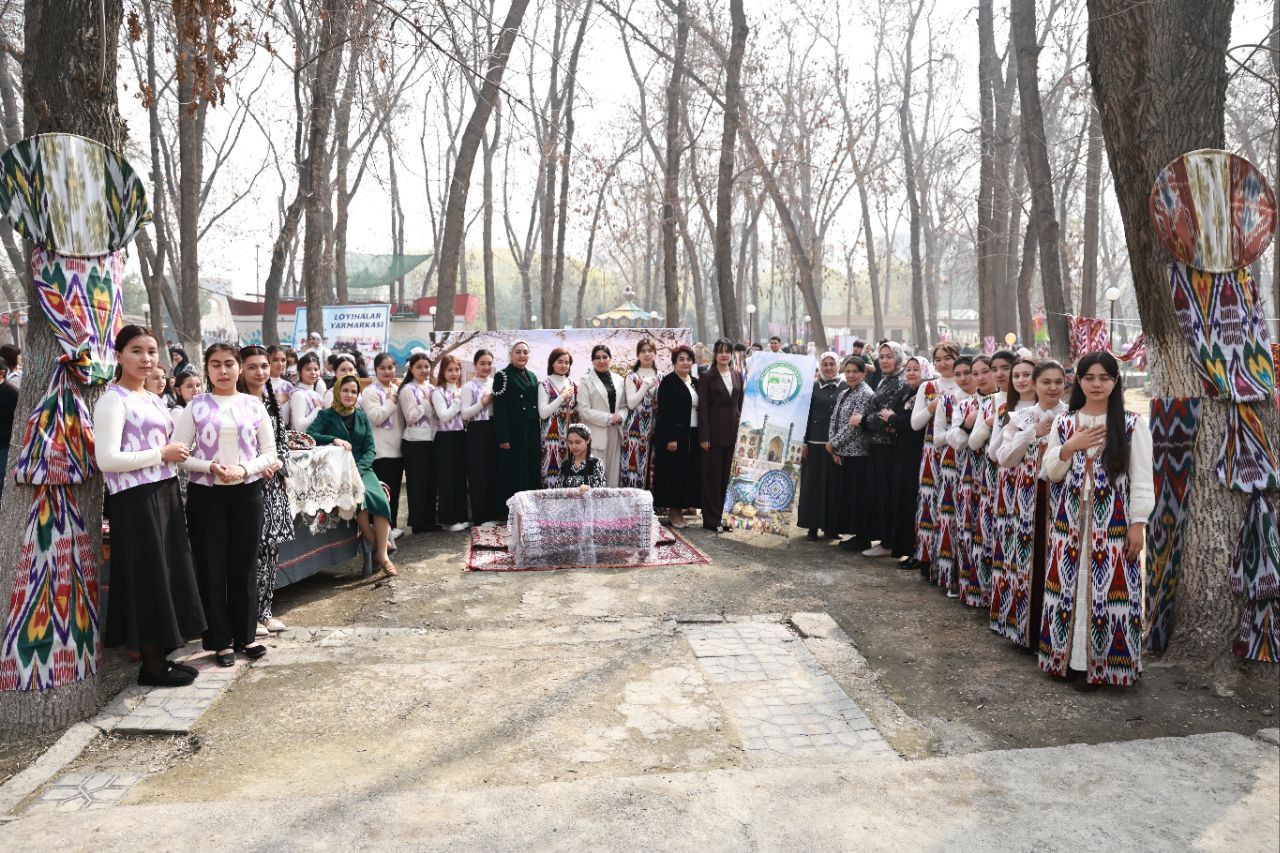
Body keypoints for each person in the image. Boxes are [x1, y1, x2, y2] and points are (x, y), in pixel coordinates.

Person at [93, 326, 204, 686]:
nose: (146, 358)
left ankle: (163, 656)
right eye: (136, 351)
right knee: (146, 577)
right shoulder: (113, 400)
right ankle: (151, 665)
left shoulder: (153, 397)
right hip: (134, 499)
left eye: (152, 351)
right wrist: (161, 453)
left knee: (167, 572)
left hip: (164, 490)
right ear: (119, 355)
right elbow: (107, 459)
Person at [1040, 351, 1153, 689]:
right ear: (1079, 381)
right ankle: (1067, 662)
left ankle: (1102, 667)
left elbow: (1142, 479)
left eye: (1104, 377)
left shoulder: (1131, 424)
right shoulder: (1064, 423)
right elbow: (1050, 471)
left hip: (1113, 524)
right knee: (1067, 591)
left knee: (1109, 593)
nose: (1096, 384)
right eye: (1089, 377)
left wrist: (1138, 524)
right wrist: (1069, 446)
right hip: (1069, 523)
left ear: (1115, 382)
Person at [173, 343, 276, 667]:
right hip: (207, 494)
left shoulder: (253, 405)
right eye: (215, 364)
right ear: (207, 368)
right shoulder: (196, 406)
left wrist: (244, 469)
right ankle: (219, 641)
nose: (223, 370)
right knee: (211, 567)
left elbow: (270, 453)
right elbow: (179, 453)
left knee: (244, 565)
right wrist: (210, 467)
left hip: (247, 491)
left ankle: (246, 635)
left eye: (229, 363)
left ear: (239, 367)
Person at [995, 360, 1068, 653]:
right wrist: (1031, 433)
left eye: (1058, 382)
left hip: (1062, 499)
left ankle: (1055, 637)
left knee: (1057, 563)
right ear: (1035, 385)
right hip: (1027, 499)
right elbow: (1004, 457)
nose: (1052, 388)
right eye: (1046, 382)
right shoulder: (1021, 417)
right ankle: (1025, 632)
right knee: (1027, 561)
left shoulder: (1072, 416)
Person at [308, 375, 397, 575]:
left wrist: (359, 467)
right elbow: (311, 435)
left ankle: (382, 555)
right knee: (359, 501)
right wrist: (333, 439)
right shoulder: (326, 415)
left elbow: (370, 449)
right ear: (337, 392)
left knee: (380, 500)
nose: (350, 395)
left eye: (354, 392)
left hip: (362, 468)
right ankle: (377, 544)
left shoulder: (362, 416)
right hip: (337, 469)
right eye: (345, 390)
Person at [238, 345, 294, 636]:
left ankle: (265, 612)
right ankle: (247, 616)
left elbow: (282, 441)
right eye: (252, 366)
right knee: (250, 551)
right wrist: (258, 466)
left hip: (272, 485)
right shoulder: (236, 403)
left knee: (270, 551)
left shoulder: (272, 402)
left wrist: (278, 462)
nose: (260, 372)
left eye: (264, 366)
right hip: (246, 484)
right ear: (241, 370)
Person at [987, 355, 1038, 640]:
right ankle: (1007, 615)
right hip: (1010, 482)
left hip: (1039, 483)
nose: (1021, 380)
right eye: (1016, 375)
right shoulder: (1007, 409)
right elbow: (995, 453)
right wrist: (1012, 428)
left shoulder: (1052, 409)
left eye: (1026, 374)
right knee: (1010, 548)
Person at [910, 342, 959, 577]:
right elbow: (915, 423)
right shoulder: (928, 386)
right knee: (929, 503)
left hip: (958, 452)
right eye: (937, 359)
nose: (942, 363)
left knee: (952, 506)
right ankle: (927, 558)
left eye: (947, 358)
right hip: (932, 452)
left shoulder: (966, 383)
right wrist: (932, 406)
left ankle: (951, 563)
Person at [947, 355, 992, 606]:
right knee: (969, 529)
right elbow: (955, 440)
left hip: (997, 477)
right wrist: (967, 424)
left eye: (986, 371)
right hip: (970, 476)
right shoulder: (965, 405)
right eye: (976, 373)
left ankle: (992, 593)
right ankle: (971, 588)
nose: (981, 377)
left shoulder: (1006, 403)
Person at [858, 342, 908, 555]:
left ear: (898, 358)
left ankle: (887, 543)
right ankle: (884, 541)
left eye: (890, 356)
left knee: (886, 494)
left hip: (888, 447)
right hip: (878, 444)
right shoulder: (887, 379)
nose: (885, 361)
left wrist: (862, 420)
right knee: (879, 494)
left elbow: (885, 415)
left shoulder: (899, 382)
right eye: (882, 356)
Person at [886, 356, 932, 567]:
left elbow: (909, 423)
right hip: (902, 453)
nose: (911, 373)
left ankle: (915, 551)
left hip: (917, 455)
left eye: (916, 369)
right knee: (902, 502)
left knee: (913, 503)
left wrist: (894, 419)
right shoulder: (907, 392)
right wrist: (895, 419)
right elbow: (892, 414)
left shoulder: (927, 392)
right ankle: (905, 549)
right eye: (909, 369)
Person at [652, 345, 702, 528]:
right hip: (675, 436)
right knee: (675, 474)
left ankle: (684, 508)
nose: (685, 362)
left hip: (694, 434)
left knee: (689, 473)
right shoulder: (669, 382)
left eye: (688, 359)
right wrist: (671, 438)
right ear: (674, 362)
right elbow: (665, 412)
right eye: (681, 359)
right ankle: (674, 512)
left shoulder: (695, 382)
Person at [697, 338, 744, 531]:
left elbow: (740, 404)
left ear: (732, 354)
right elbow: (703, 408)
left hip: (733, 433)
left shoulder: (737, 374)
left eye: (727, 351)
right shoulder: (707, 376)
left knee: (727, 478)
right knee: (712, 479)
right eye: (720, 351)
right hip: (713, 435)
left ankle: (724, 518)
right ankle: (711, 520)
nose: (724, 355)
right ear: (715, 354)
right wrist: (704, 436)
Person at [828, 357, 873, 549]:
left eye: (855, 371)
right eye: (848, 371)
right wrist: (833, 444)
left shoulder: (865, 393)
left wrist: (834, 443)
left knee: (858, 497)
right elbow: (834, 419)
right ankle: (856, 535)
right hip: (842, 451)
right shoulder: (844, 392)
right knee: (847, 496)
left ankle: (862, 538)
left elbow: (854, 425)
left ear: (863, 373)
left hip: (858, 453)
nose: (851, 375)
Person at [492, 341, 541, 516]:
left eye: (525, 352)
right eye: (518, 352)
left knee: (530, 468)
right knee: (514, 470)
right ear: (511, 354)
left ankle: (530, 511)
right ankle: (512, 513)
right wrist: (503, 437)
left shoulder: (533, 376)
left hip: (532, 429)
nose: (522, 355)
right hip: (514, 431)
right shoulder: (502, 376)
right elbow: (499, 409)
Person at [798, 352, 843, 541]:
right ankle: (812, 526)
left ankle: (831, 527)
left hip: (836, 444)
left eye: (832, 364)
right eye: (825, 364)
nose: (829, 367)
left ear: (838, 365)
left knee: (833, 486)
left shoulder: (846, 386)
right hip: (815, 443)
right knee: (813, 485)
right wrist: (803, 442)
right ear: (820, 366)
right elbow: (804, 415)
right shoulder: (812, 387)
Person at [360, 353, 406, 534]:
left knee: (394, 490)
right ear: (375, 369)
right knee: (382, 493)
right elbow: (376, 417)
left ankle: (391, 527)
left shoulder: (396, 388)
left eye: (390, 367)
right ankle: (381, 531)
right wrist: (391, 401)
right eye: (382, 368)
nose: (387, 371)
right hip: (380, 449)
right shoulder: (370, 391)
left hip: (397, 447)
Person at [398, 352, 437, 535]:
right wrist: (426, 403)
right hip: (414, 441)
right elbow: (410, 417)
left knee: (431, 482)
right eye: (419, 367)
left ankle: (429, 519)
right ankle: (417, 522)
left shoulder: (431, 387)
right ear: (411, 369)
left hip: (432, 440)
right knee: (417, 483)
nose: (423, 370)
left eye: (426, 366)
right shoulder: (408, 389)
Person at [579, 344, 628, 487]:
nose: (601, 361)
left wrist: (620, 416)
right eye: (597, 358)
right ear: (592, 360)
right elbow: (583, 410)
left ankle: (611, 501)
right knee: (595, 475)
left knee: (613, 475)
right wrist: (608, 418)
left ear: (610, 359)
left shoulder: (619, 379)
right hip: (596, 432)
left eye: (604, 357)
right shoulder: (586, 380)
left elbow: (624, 406)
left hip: (616, 431)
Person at [431, 355, 470, 531]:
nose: (454, 373)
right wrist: (458, 401)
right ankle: (448, 521)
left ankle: (460, 517)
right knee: (447, 479)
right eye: (450, 370)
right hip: (445, 439)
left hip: (460, 436)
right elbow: (444, 416)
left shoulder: (462, 390)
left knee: (460, 479)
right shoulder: (437, 392)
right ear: (443, 372)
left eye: (457, 369)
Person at [462, 349, 500, 527]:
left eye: (489, 363)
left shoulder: (495, 383)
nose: (486, 367)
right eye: (482, 363)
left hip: (494, 429)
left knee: (493, 472)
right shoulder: (469, 386)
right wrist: (483, 402)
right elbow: (465, 414)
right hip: (477, 430)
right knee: (478, 474)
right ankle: (480, 516)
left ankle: (493, 512)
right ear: (475, 365)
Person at [621, 339, 660, 489]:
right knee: (634, 465)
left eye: (650, 351)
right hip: (635, 428)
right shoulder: (632, 376)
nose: (647, 354)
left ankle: (654, 500)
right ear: (638, 354)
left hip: (656, 427)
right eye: (643, 351)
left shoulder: (661, 376)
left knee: (654, 465)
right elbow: (631, 403)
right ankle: (633, 499)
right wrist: (644, 385)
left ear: (655, 353)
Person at [539, 347, 578, 487]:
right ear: (552, 363)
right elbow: (543, 413)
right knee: (552, 474)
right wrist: (562, 397)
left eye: (567, 363)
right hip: (551, 438)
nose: (563, 365)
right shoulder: (544, 384)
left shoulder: (573, 384)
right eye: (559, 362)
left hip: (571, 438)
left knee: (571, 474)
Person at [557, 423, 607, 490]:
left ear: (587, 440)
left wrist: (589, 489)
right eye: (570, 442)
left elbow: (600, 491)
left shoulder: (596, 463)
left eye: (578, 442)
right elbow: (558, 491)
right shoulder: (565, 464)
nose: (573, 446)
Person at [289, 353, 325, 432]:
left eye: (316, 369)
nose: (313, 372)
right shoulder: (298, 395)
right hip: (302, 439)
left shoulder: (315, 394)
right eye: (308, 369)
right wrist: (318, 409)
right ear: (300, 373)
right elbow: (300, 427)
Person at [266, 345, 294, 428]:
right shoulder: (260, 384)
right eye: (275, 360)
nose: (280, 364)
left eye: (283, 360)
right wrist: (277, 402)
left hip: (285, 430)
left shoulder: (289, 386)